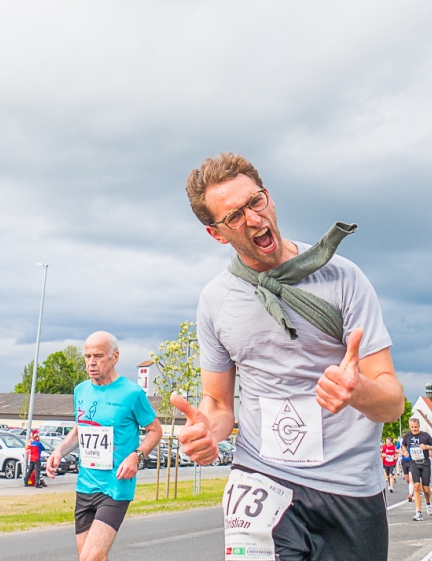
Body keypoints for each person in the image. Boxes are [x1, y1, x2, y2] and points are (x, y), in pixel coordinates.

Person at [173, 153, 404, 561]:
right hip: (262, 479)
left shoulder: (344, 278)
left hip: (349, 488)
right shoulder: (215, 301)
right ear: (216, 233)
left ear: (269, 197)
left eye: (256, 202)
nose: (254, 219)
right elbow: (220, 404)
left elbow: (392, 402)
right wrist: (209, 430)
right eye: (235, 216)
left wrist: (358, 390)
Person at [47, 331, 162, 561]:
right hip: (85, 486)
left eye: (98, 356)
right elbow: (81, 429)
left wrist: (136, 457)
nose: (91, 362)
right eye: (87, 356)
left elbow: (155, 430)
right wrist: (59, 451)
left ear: (115, 357)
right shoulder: (81, 390)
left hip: (115, 488)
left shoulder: (132, 393)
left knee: (89, 558)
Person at [402, 418, 432, 520]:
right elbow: (403, 446)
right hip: (414, 463)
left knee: (426, 489)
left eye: (415, 427)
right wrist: (405, 452)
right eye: (412, 427)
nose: (414, 429)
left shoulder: (425, 435)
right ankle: (418, 512)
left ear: (419, 426)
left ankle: (428, 503)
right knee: (416, 486)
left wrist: (427, 447)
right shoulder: (407, 436)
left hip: (425, 463)